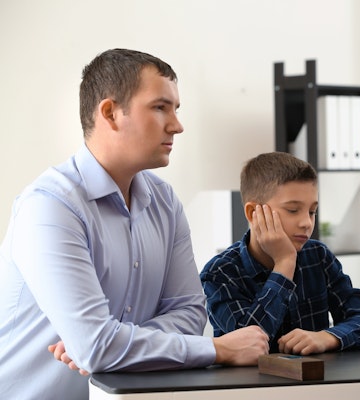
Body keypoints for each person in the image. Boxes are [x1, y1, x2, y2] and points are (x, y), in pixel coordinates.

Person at [0, 48, 268, 400]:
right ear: (110, 113)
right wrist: (220, 350)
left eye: (176, 109)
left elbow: (189, 313)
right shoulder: (50, 207)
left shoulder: (165, 202)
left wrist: (113, 345)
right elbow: (96, 346)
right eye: (160, 107)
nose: (177, 125)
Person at [200, 151, 360, 355]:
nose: (306, 223)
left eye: (312, 211)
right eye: (293, 210)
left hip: (318, 384)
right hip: (251, 386)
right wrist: (284, 264)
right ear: (253, 213)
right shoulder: (219, 273)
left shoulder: (318, 256)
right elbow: (248, 345)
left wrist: (326, 337)